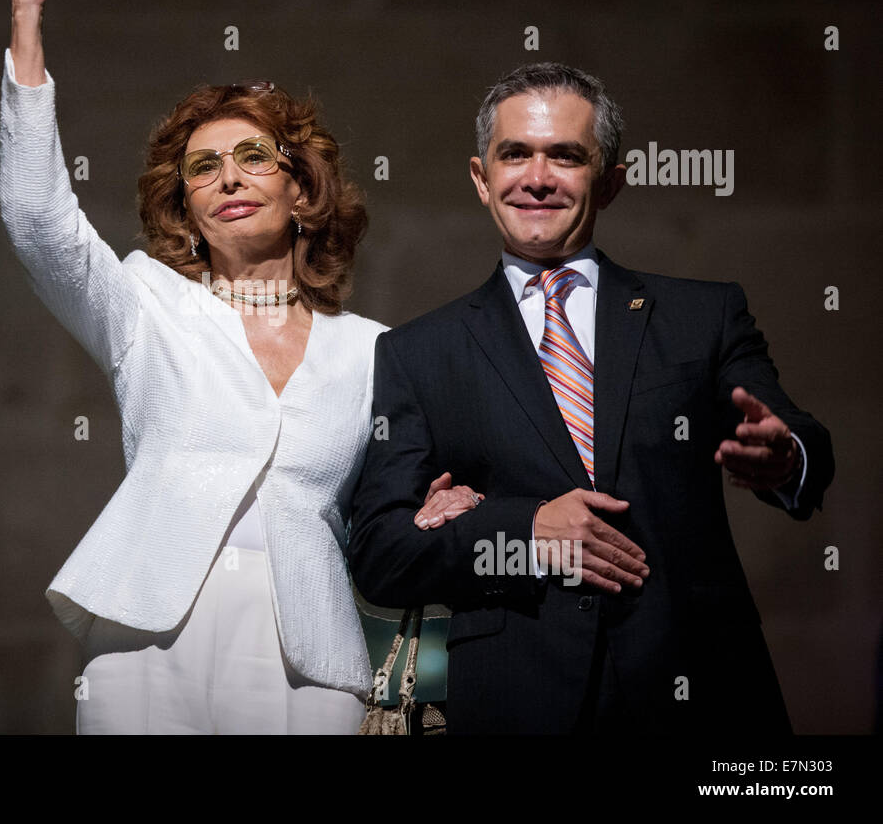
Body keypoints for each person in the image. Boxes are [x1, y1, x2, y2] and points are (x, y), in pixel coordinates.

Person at [0, 0, 478, 733]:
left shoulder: (375, 350)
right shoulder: (145, 302)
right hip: (149, 632)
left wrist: (430, 511)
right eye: (202, 169)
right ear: (184, 209)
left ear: (304, 192)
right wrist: (27, 22)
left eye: (253, 157)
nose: (227, 178)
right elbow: (37, 218)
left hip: (309, 651)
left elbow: (385, 514)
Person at [346, 61, 834, 734]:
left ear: (610, 182)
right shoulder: (418, 352)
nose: (537, 177)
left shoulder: (702, 316)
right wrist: (524, 531)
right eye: (514, 154)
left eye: (566, 156)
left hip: (698, 687)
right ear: (481, 179)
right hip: (519, 700)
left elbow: (800, 435)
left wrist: (785, 460)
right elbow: (380, 551)